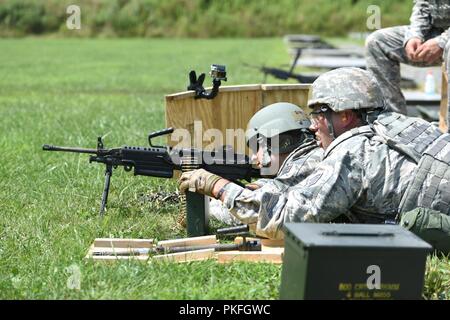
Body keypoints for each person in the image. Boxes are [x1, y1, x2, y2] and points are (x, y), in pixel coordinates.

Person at [179, 67, 450, 240]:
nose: (311, 124)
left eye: (319, 113)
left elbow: (285, 218)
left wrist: (219, 187)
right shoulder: (403, 124)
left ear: (344, 115)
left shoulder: (352, 151)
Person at [185, 102, 324, 227]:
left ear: (279, 142)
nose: (253, 156)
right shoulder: (311, 158)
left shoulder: (303, 165)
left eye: (256, 147)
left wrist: (215, 187)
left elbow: (258, 213)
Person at [365, 0, 450, 129]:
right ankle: (392, 125)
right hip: (435, 34)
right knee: (376, 42)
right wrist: (414, 36)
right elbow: (423, 6)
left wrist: (442, 41)